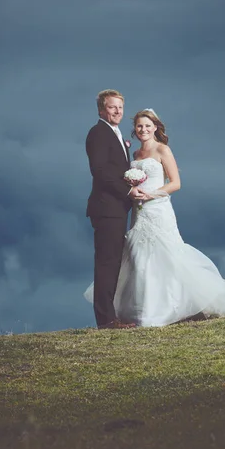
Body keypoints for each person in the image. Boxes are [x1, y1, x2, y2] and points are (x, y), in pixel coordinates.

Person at [85, 108, 225, 326]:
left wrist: (152, 195)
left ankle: (175, 307)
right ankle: (143, 310)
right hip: (138, 210)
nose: (143, 129)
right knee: (139, 259)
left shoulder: (162, 150)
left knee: (165, 253)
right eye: (139, 126)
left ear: (155, 127)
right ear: (135, 130)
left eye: (148, 126)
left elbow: (176, 183)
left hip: (157, 208)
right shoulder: (135, 155)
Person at [85, 89, 145, 329]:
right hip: (106, 208)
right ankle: (106, 319)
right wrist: (128, 191)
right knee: (107, 263)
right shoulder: (98, 133)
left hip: (117, 209)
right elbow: (100, 171)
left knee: (114, 263)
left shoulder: (115, 134)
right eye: (112, 107)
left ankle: (111, 315)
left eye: (120, 107)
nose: (118, 111)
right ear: (102, 110)